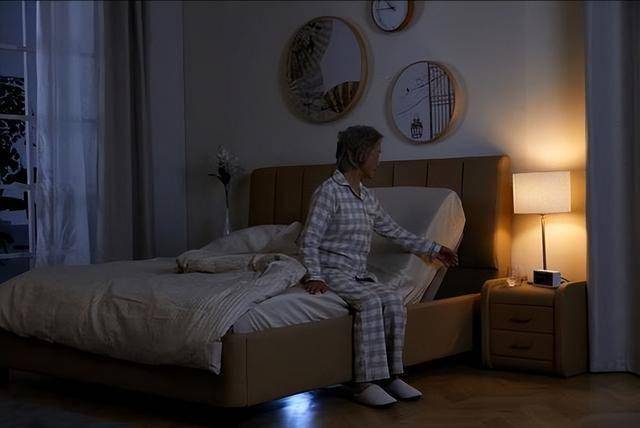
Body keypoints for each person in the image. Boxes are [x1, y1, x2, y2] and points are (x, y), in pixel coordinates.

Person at [299, 125, 458, 407]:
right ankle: (363, 384)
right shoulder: (329, 192)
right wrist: (314, 275)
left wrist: (435, 249)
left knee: (393, 301)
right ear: (359, 153)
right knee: (371, 303)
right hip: (332, 271)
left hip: (358, 274)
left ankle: (391, 376)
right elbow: (309, 239)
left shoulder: (366, 197)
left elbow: (393, 230)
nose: (379, 160)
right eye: (376, 153)